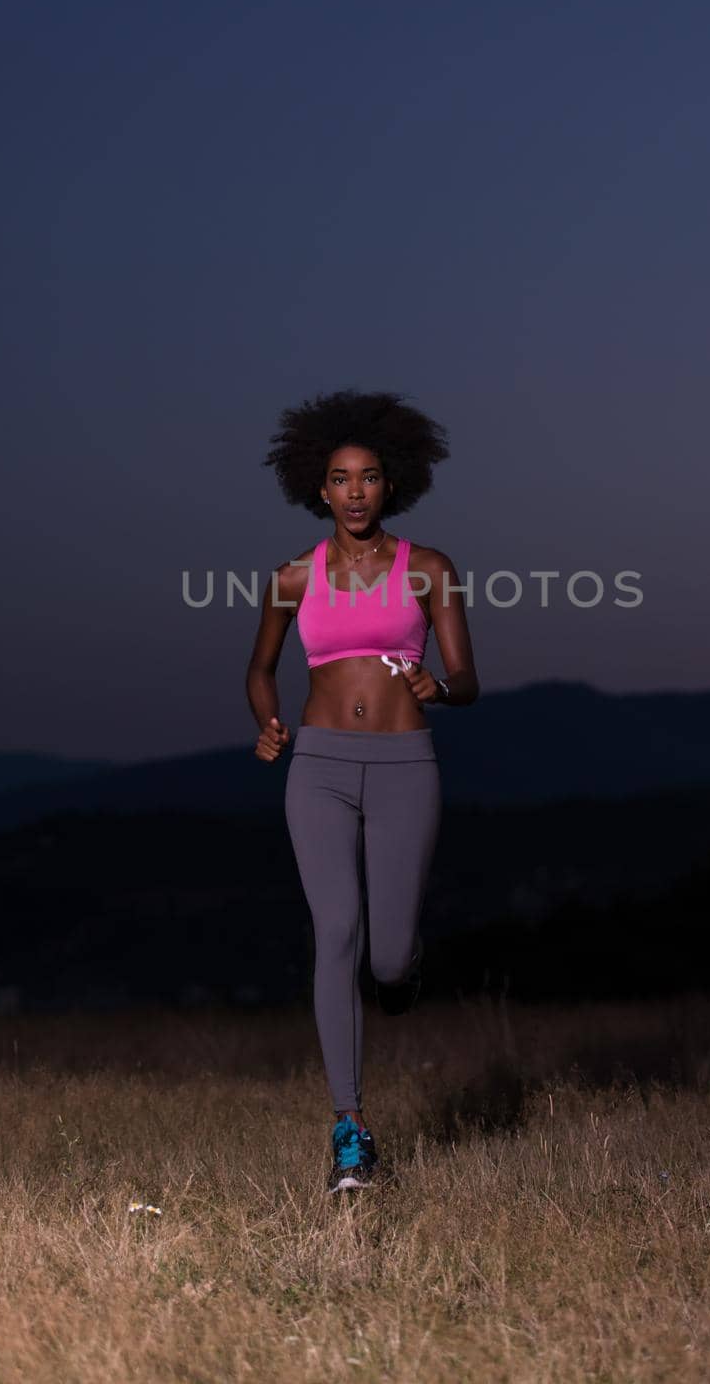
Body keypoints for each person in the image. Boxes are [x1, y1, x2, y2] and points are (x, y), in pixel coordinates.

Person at [246, 388, 480, 1193]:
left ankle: (402, 969)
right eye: (340, 479)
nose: (354, 492)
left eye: (369, 478)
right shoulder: (290, 578)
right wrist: (270, 722)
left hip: (405, 766)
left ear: (391, 485)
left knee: (383, 958)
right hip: (318, 767)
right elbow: (258, 668)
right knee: (336, 930)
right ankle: (350, 1130)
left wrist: (437, 689)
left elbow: (469, 679)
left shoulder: (430, 569)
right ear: (319, 487)